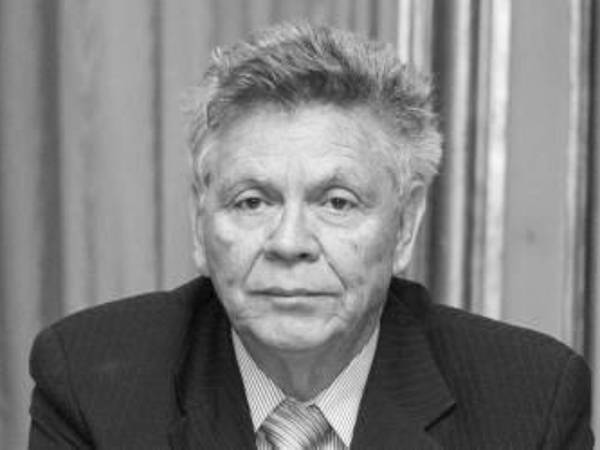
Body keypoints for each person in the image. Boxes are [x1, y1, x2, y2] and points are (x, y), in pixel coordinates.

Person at [28, 22, 593, 449]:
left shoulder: (529, 405)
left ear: (405, 226)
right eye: (252, 201)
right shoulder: (92, 384)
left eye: (336, 202)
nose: (289, 242)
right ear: (200, 221)